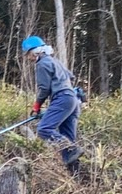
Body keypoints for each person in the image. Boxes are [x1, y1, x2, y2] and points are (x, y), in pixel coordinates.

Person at [21, 35, 83, 175]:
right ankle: (75, 176)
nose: (28, 58)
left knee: (44, 129)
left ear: (35, 52)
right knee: (68, 136)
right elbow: (70, 76)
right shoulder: (55, 61)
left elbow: (44, 89)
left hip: (62, 98)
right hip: (73, 99)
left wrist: (37, 106)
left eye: (28, 54)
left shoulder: (41, 64)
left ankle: (71, 149)